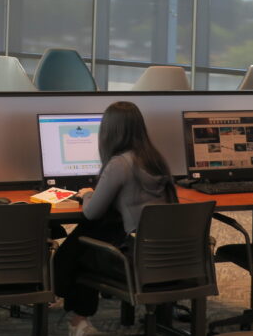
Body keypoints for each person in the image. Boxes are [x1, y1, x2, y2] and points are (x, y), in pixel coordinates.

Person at [53, 101, 177, 336]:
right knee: (93, 234)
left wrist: (87, 194)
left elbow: (91, 212)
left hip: (133, 260)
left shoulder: (119, 164)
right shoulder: (157, 159)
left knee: (80, 245)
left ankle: (77, 320)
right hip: (168, 256)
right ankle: (78, 321)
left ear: (109, 132)